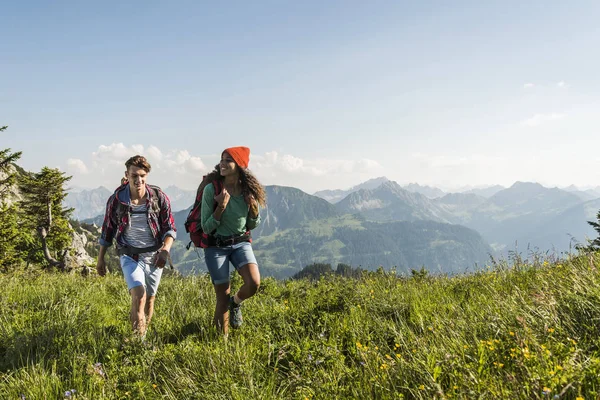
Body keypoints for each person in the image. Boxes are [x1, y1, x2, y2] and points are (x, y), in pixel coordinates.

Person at [96, 155, 176, 338]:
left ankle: (143, 335)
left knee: (149, 300)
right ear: (127, 174)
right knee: (139, 295)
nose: (138, 180)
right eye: (134, 175)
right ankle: (137, 344)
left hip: (155, 256)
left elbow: (170, 228)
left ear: (147, 175)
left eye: (142, 175)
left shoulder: (158, 198)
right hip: (129, 255)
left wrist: (165, 250)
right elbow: (107, 229)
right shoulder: (117, 199)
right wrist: (100, 259)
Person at [201, 146, 266, 335]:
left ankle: (235, 303)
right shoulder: (211, 190)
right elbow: (206, 227)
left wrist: (253, 209)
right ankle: (221, 342)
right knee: (222, 296)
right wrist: (220, 207)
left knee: (253, 283)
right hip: (216, 246)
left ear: (239, 165)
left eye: (228, 160)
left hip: (240, 243)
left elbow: (252, 224)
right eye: (221, 159)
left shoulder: (247, 191)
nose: (222, 163)